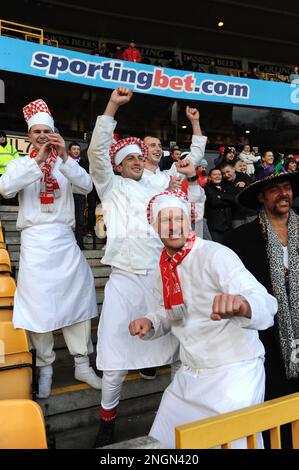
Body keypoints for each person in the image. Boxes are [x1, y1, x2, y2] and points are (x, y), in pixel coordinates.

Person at [87, 87, 204, 446]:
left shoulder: (157, 183)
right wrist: (112, 107)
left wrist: (193, 140)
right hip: (124, 280)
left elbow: (185, 171)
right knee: (115, 360)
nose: (139, 161)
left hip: (158, 278)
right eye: (131, 158)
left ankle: (175, 417)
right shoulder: (110, 186)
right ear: (119, 164)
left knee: (174, 352)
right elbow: (95, 152)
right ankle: (107, 421)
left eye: (141, 157)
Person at [129, 189, 277, 449]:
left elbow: (265, 302)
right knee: (161, 443)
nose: (173, 227)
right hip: (189, 375)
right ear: (155, 227)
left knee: (233, 444)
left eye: (179, 219)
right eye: (165, 220)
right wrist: (151, 322)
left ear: (190, 221)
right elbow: (171, 312)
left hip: (234, 372)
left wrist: (243, 305)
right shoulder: (160, 270)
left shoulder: (215, 254)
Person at [0, 99, 101, 398]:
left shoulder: (65, 164)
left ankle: (82, 363)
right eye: (37, 131)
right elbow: (6, 188)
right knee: (37, 307)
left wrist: (63, 159)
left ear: (55, 132)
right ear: (30, 135)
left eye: (48, 130)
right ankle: (45, 367)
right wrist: (36, 161)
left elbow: (87, 186)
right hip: (34, 240)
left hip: (64, 239)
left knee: (80, 298)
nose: (42, 135)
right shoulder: (20, 163)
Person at [224, 171, 299, 447]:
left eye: (287, 187)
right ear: (261, 197)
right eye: (275, 189)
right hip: (268, 341)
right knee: (274, 414)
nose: (283, 193)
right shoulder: (239, 241)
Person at [68, 142, 86, 250]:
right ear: (69, 151)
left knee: (79, 221)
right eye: (73, 149)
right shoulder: (64, 162)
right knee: (68, 220)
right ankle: (69, 244)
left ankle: (79, 244)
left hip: (79, 194)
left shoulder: (83, 164)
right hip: (67, 195)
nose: (76, 151)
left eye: (78, 149)